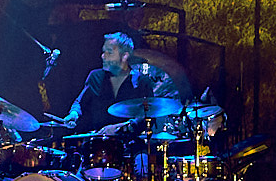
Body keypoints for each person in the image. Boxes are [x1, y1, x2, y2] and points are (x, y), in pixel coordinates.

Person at [57, 30, 190, 132]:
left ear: (125, 56)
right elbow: (79, 101)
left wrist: (119, 128)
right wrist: (73, 114)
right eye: (103, 52)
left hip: (131, 145)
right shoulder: (95, 76)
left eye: (109, 52)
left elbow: (148, 116)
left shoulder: (141, 82)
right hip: (97, 142)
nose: (102, 56)